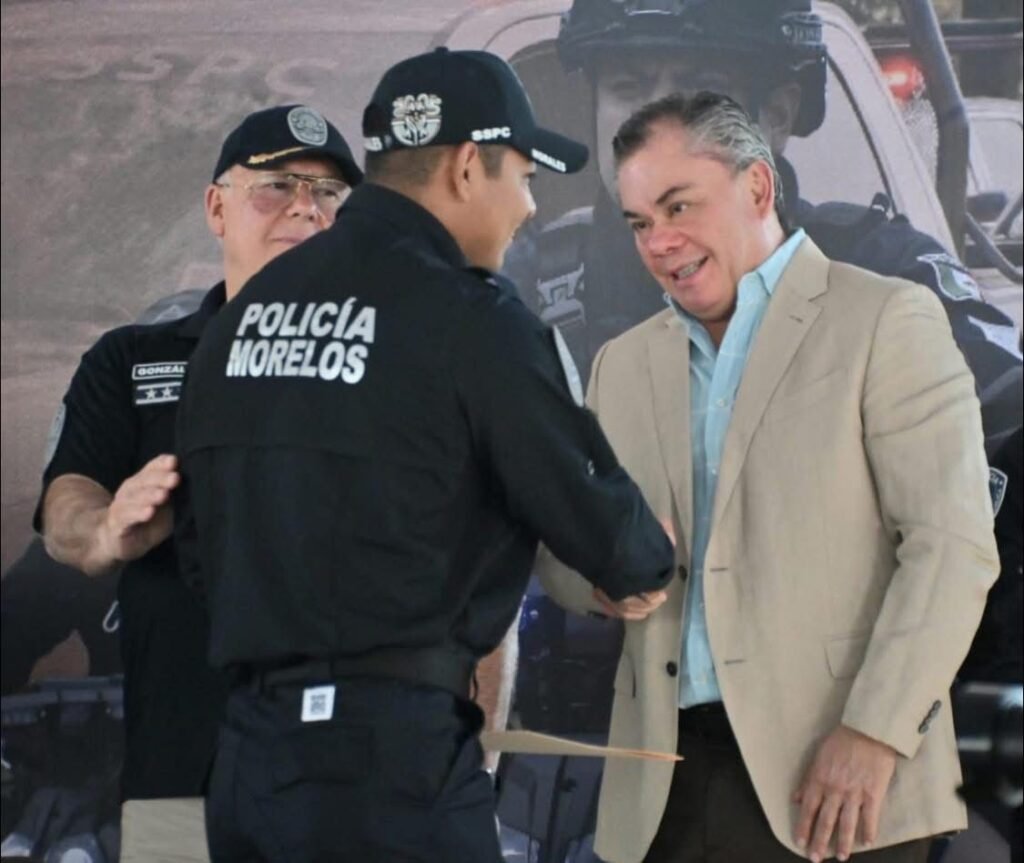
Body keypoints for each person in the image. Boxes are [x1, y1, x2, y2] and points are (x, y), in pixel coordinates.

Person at [175, 47, 675, 863]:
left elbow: (200, 552)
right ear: (469, 166)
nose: (529, 208)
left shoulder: (236, 323)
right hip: (393, 770)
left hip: (248, 767)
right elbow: (615, 544)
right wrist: (645, 555)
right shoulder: (475, 320)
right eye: (525, 177)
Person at [538, 91, 999, 863]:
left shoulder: (887, 318)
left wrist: (875, 733)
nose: (660, 241)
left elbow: (953, 548)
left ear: (757, 186)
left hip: (842, 786)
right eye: (640, 222)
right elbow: (561, 553)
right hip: (661, 791)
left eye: (679, 205)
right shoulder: (620, 364)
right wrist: (602, 577)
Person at [35, 103, 362, 863]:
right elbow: (66, 506)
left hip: (357, 775)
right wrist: (106, 526)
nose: (306, 209)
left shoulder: (394, 360)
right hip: (181, 767)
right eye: (277, 185)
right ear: (217, 208)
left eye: (328, 193)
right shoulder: (131, 360)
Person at [507, 0, 1021, 455]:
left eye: (696, 94)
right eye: (628, 88)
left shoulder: (890, 277)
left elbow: (1007, 428)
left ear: (775, 115)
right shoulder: (523, 293)